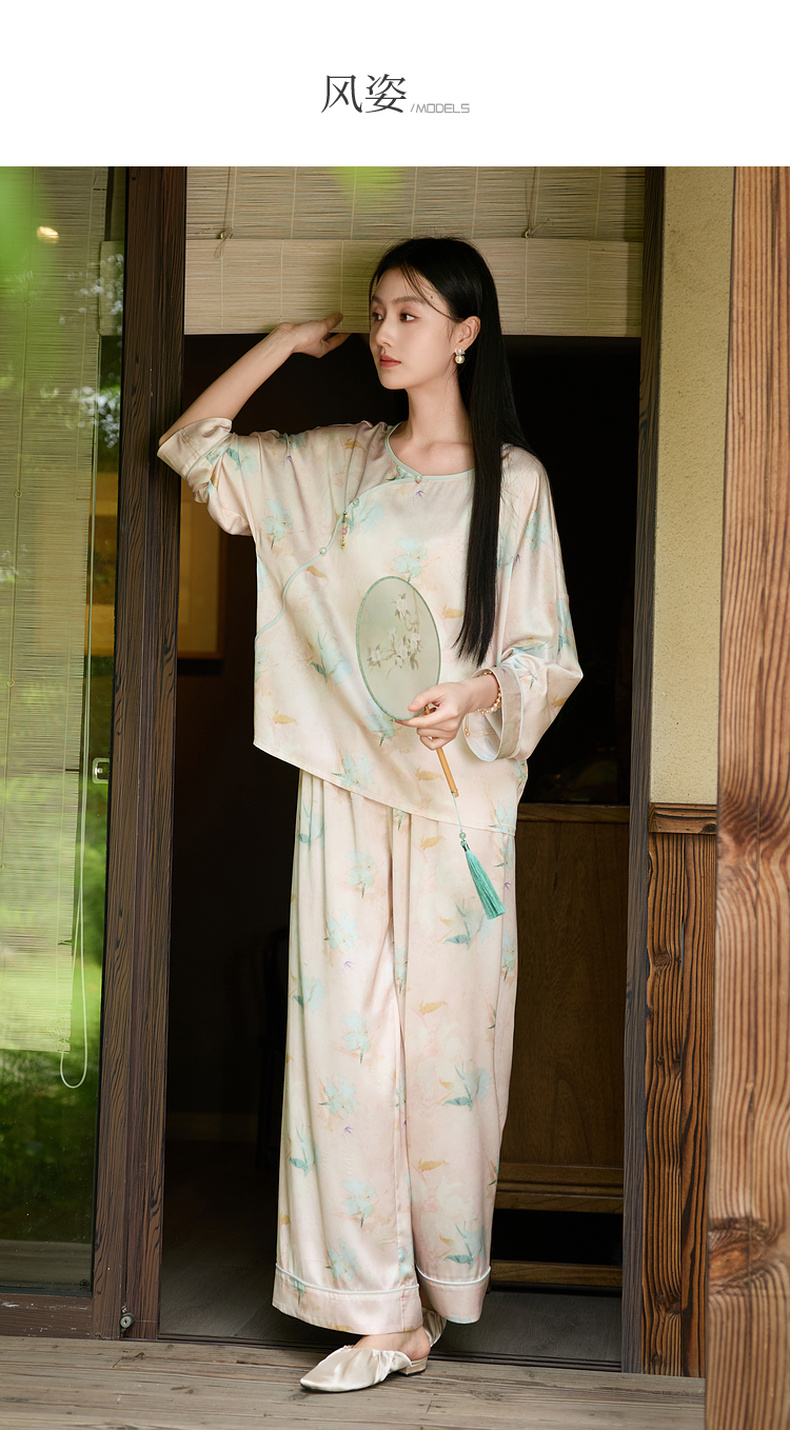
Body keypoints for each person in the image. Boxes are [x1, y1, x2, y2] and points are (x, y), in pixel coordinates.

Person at [157, 236, 582, 1393]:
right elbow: (192, 447)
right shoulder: (341, 463)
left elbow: (545, 653)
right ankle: (375, 1310)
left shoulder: (515, 483)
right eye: (378, 311)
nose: (386, 333)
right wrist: (280, 344)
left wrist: (474, 693)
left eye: (411, 313)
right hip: (345, 791)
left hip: (457, 804)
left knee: (445, 1054)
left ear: (465, 334)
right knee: (345, 1047)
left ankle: (431, 1302)